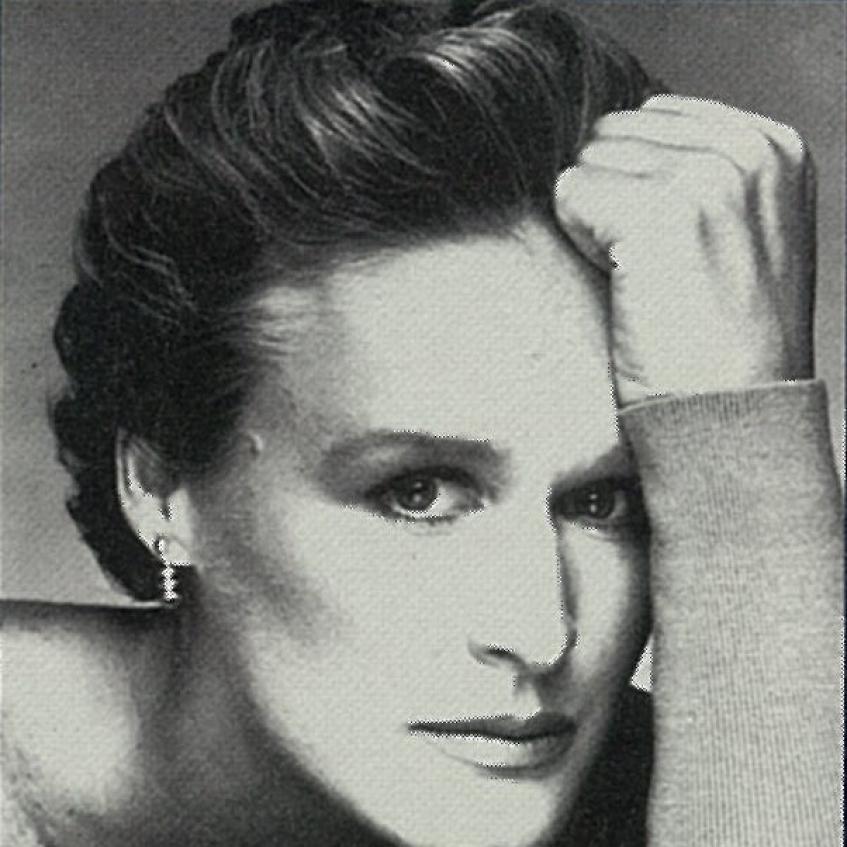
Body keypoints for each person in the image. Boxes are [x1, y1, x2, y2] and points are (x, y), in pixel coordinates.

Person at [1, 1, 841, 845]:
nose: (540, 636)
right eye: (418, 493)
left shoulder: (729, 768)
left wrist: (746, 463)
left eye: (602, 503)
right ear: (159, 488)